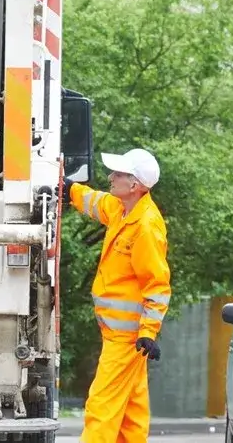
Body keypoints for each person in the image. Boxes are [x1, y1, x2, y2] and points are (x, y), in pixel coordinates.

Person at [64, 148, 171, 443]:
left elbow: (157, 284)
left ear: (135, 185)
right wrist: (70, 190)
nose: (111, 177)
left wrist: (149, 331)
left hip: (127, 338)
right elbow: (97, 202)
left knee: (102, 405)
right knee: (131, 413)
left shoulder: (146, 226)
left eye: (119, 174)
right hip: (123, 334)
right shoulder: (124, 210)